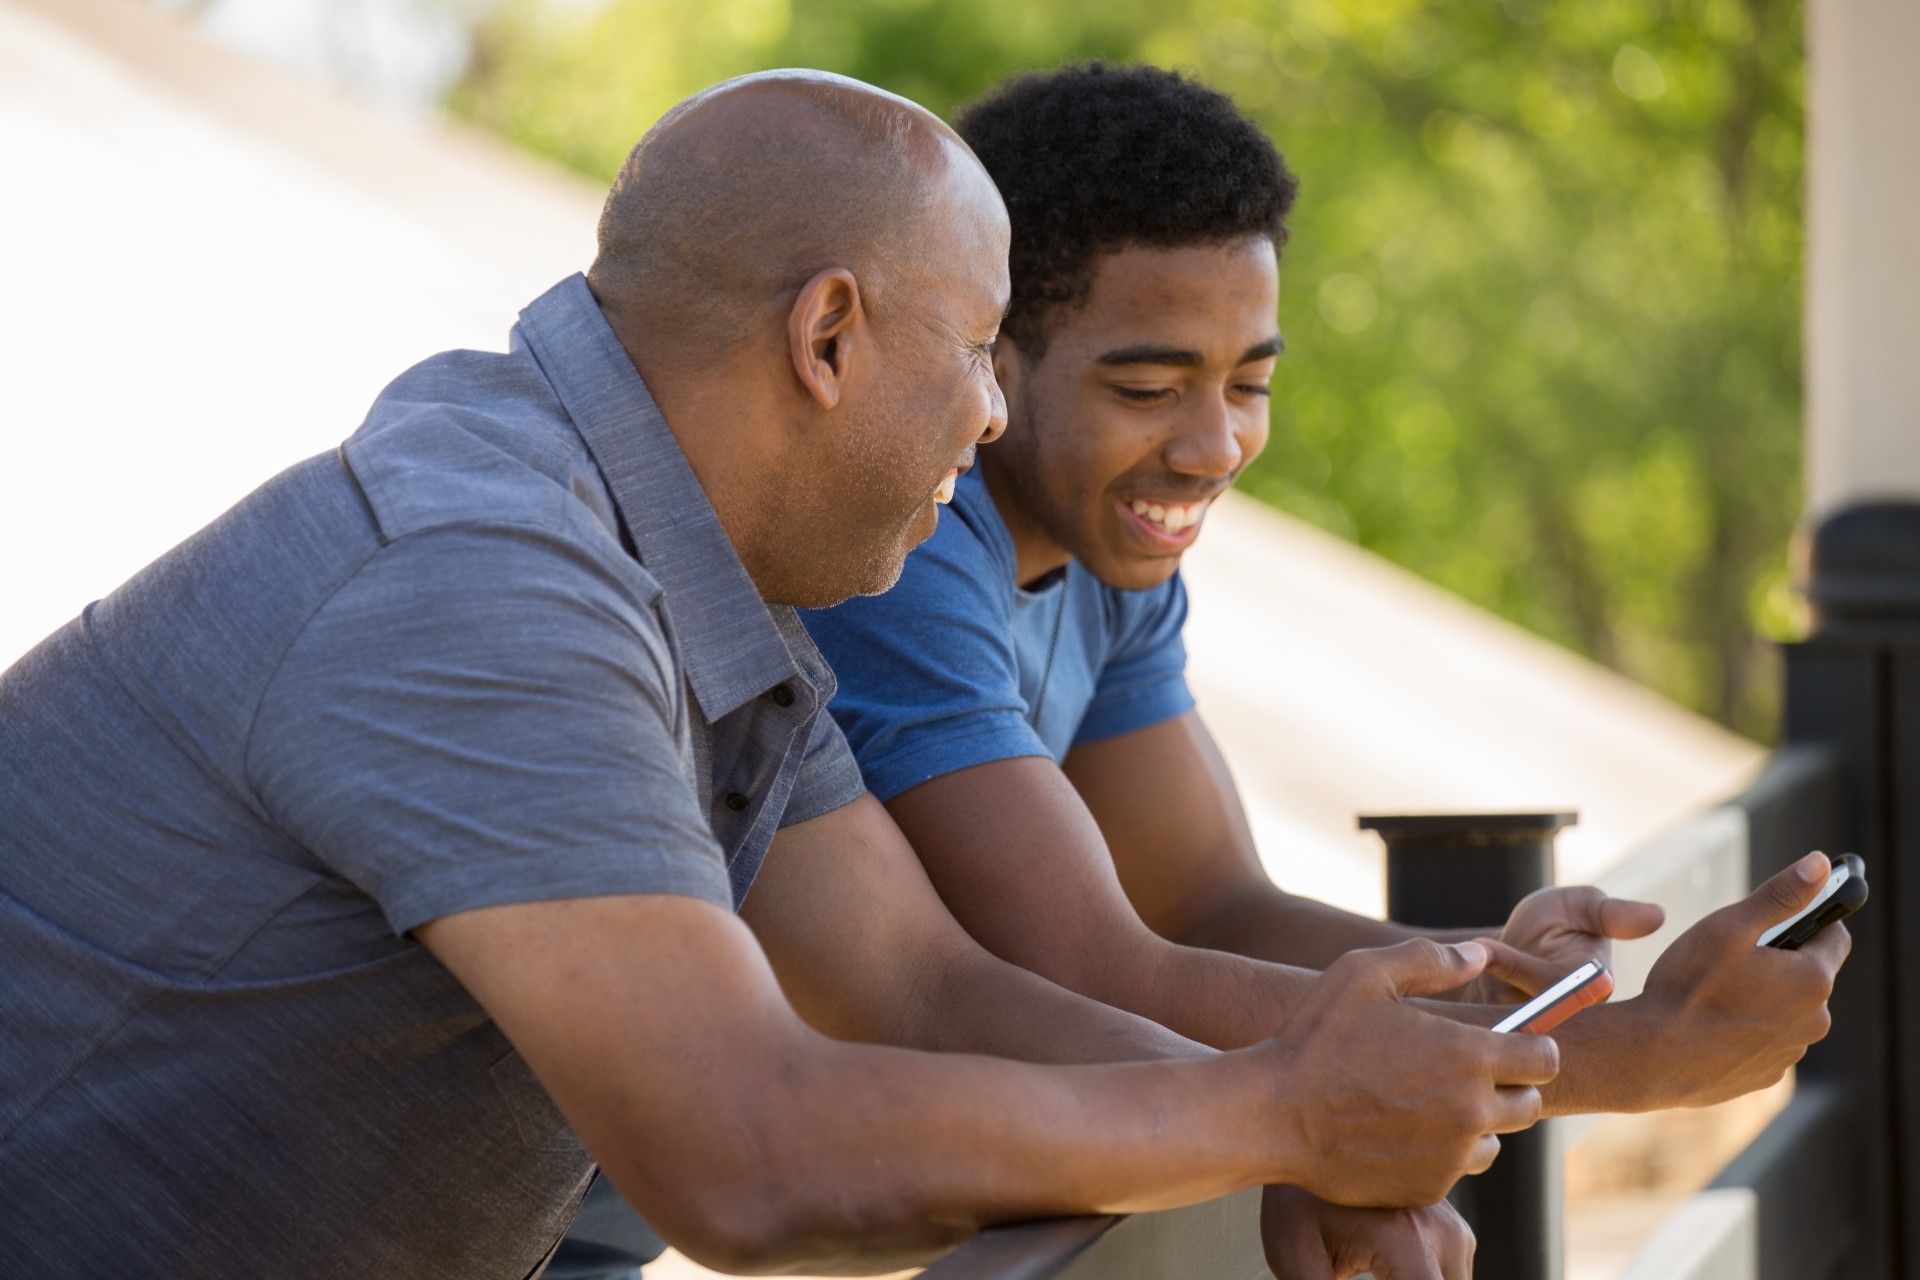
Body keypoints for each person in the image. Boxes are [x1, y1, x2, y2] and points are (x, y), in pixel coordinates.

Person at [0, 71, 1561, 1280]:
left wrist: (1301, 1137)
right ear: (829, 336)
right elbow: (743, 1156)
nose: (992, 421)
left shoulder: (694, 578)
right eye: (974, 350)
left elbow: (922, 988)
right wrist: (1277, 1114)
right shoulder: (486, 578)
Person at [800, 60, 1847, 1129]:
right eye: (1149, 390)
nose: (1215, 446)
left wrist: (1491, 974)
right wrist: (1619, 1058)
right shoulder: (902, 549)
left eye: (1249, 383)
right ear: (994, 360)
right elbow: (1093, 964)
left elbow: (1211, 904)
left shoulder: (1108, 544)